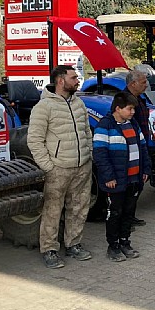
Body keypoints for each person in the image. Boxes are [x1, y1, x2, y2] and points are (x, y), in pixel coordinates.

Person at [27, 65, 93, 269]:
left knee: (79, 207)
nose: (77, 81)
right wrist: (48, 166)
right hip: (58, 168)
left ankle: (73, 244)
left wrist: (88, 154)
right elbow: (34, 140)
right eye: (73, 78)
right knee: (52, 211)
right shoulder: (44, 107)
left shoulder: (79, 103)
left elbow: (86, 131)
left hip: (82, 165)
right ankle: (49, 250)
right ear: (61, 81)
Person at [92, 93, 151, 262]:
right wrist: (108, 177)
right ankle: (113, 246)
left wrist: (145, 170)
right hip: (116, 181)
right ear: (118, 108)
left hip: (134, 179)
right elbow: (100, 154)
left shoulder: (133, 124)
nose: (133, 112)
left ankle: (125, 242)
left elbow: (143, 148)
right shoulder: (105, 126)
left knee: (128, 212)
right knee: (115, 213)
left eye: (133, 108)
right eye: (129, 109)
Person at [125, 69, 151, 227]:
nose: (146, 85)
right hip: (131, 146)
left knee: (138, 183)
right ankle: (125, 218)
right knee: (130, 184)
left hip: (141, 144)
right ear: (133, 84)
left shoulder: (139, 98)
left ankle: (130, 214)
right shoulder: (124, 100)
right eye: (143, 82)